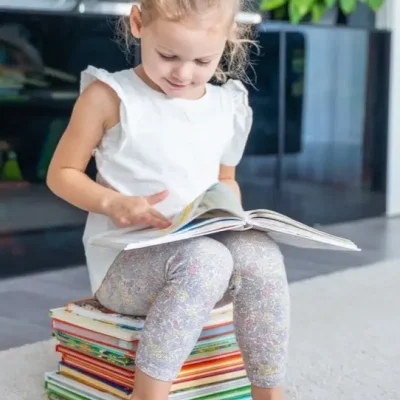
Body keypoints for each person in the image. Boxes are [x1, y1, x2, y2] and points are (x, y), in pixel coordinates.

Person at [46, 1, 290, 399]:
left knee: (260, 253)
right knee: (205, 260)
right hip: (124, 266)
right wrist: (112, 203)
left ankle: (270, 393)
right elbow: (61, 174)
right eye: (168, 55)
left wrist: (232, 217)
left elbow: (225, 180)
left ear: (227, 42)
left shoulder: (227, 105)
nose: (182, 72)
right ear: (139, 23)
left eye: (202, 61)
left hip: (201, 257)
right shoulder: (110, 96)